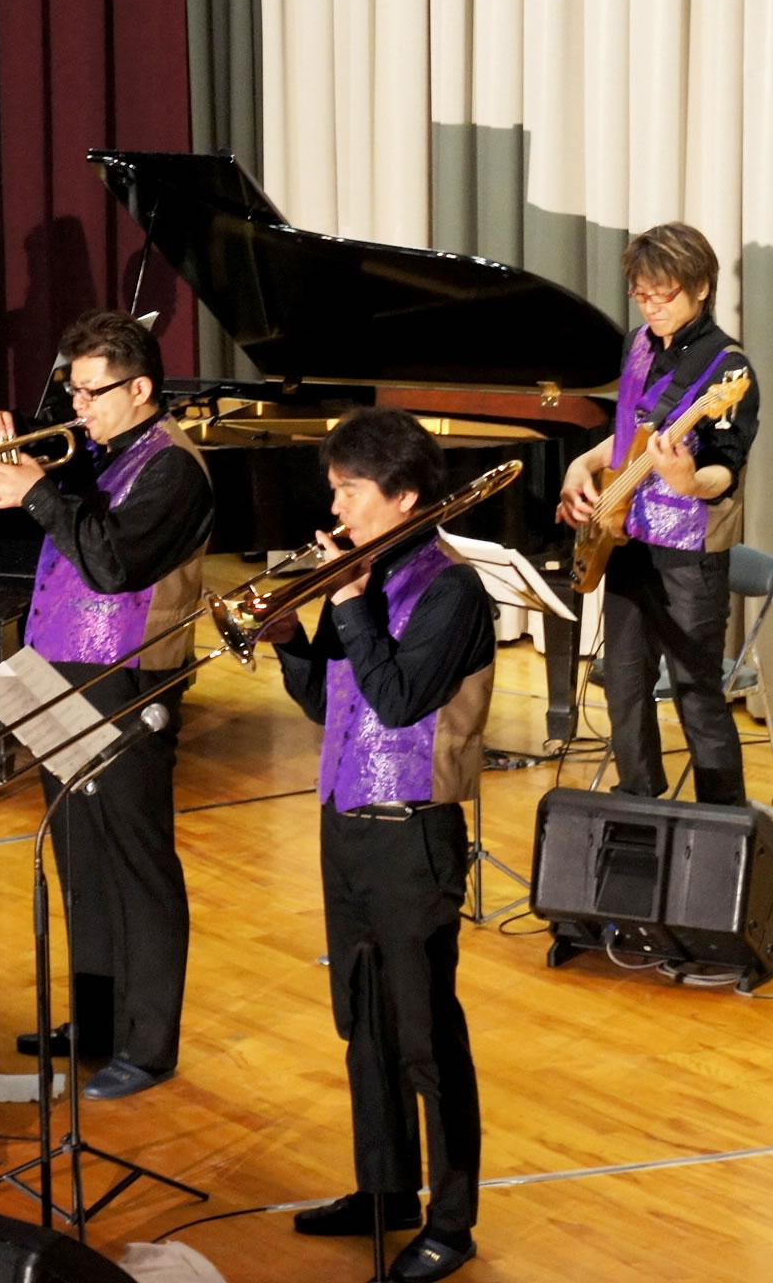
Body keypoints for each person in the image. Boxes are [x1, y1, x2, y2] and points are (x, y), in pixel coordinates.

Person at [269, 407, 492, 1283]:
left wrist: (347, 605)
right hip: (345, 825)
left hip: (413, 835)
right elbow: (331, 703)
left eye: (351, 492)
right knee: (363, 1021)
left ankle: (452, 1222)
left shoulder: (451, 591)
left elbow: (399, 702)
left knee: (428, 1037)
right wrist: (291, 641)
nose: (337, 510)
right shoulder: (361, 578)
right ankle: (385, 1190)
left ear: (403, 497)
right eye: (335, 491)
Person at [0, 309, 212, 1099]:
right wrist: (6, 460)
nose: (76, 407)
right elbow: (63, 525)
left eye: (90, 393)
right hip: (58, 668)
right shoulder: (104, 454)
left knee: (136, 861)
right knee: (78, 853)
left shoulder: (173, 469)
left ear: (140, 388)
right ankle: (98, 1020)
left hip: (126, 683)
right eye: (71, 392)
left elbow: (113, 563)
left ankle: (148, 1045)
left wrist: (40, 493)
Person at [556, 222, 761, 805]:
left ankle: (722, 820)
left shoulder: (728, 370)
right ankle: (637, 804)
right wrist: (580, 466)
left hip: (690, 554)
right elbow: (630, 436)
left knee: (698, 694)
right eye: (640, 294)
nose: (650, 306)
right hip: (625, 537)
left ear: (701, 288)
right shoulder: (638, 344)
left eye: (663, 294)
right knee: (623, 686)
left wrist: (688, 480)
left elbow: (725, 469)